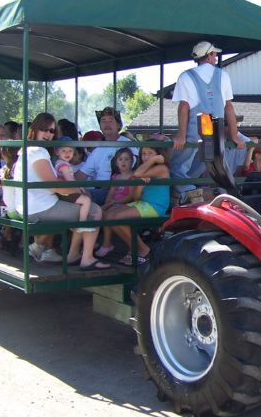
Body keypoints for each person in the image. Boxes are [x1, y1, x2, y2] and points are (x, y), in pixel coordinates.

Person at [13, 113, 109, 271]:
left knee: (83, 206)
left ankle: (73, 254)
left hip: (33, 205)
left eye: (51, 131)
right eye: (43, 129)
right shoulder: (37, 151)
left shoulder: (29, 150)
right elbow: (52, 185)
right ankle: (86, 258)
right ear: (34, 129)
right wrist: (78, 189)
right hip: (40, 207)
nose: (48, 134)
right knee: (94, 210)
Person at [170, 41, 245, 198]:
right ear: (209, 55)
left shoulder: (186, 76)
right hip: (215, 131)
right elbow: (228, 108)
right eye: (214, 54)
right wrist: (235, 135)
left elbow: (184, 106)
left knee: (178, 166)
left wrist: (181, 135)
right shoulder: (222, 76)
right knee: (216, 165)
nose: (216, 57)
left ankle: (187, 195)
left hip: (195, 130)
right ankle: (227, 196)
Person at [103, 144, 170, 266]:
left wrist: (154, 160)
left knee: (118, 218)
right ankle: (133, 248)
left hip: (155, 206)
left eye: (150, 153)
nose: (146, 156)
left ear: (159, 155)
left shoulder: (161, 168)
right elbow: (135, 197)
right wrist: (139, 185)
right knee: (109, 216)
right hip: (143, 203)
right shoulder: (145, 170)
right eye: (144, 153)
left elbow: (138, 173)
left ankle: (143, 250)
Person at [75, 107, 136, 205]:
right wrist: (65, 183)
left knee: (83, 197)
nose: (107, 124)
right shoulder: (98, 150)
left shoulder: (129, 146)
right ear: (100, 126)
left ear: (118, 125)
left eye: (111, 121)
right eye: (103, 121)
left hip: (118, 191)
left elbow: (131, 174)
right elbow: (81, 175)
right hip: (99, 190)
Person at [96, 147, 137, 259]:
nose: (123, 162)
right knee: (99, 212)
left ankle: (106, 243)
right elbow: (111, 193)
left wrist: (112, 203)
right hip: (113, 204)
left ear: (132, 161)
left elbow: (130, 196)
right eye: (120, 159)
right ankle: (100, 243)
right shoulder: (115, 177)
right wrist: (107, 203)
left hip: (126, 205)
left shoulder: (133, 178)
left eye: (127, 159)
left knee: (108, 214)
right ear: (116, 162)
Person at [52, 136, 92, 227]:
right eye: (64, 151)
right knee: (86, 201)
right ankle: (82, 224)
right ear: (57, 152)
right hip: (66, 192)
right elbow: (69, 179)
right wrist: (79, 187)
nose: (67, 153)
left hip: (64, 192)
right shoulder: (63, 165)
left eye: (70, 150)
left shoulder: (61, 163)